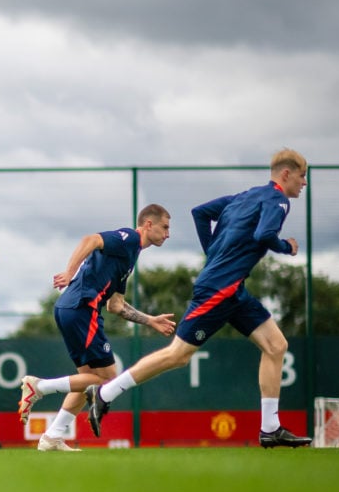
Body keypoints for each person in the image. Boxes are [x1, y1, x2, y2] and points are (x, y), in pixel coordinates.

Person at [86, 150, 313, 448]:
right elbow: (264, 234)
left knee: (276, 345)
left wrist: (214, 253)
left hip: (233, 289)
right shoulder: (278, 200)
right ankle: (104, 394)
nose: (304, 182)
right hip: (219, 289)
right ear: (285, 175)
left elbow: (200, 213)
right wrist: (286, 246)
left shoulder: (244, 197)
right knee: (178, 355)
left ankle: (270, 429)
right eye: (301, 175)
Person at [18, 205, 176, 451]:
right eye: (164, 227)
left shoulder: (131, 254)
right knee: (109, 378)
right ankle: (39, 387)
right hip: (82, 308)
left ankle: (52, 437)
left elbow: (116, 305)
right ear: (148, 224)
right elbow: (90, 240)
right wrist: (70, 272)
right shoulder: (129, 238)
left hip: (72, 309)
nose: (167, 234)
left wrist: (150, 320)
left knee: (87, 380)